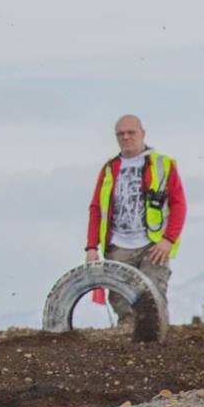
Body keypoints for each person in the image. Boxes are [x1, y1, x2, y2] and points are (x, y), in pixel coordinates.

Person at [84, 114, 186, 312]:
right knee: (121, 301)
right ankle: (124, 338)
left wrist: (168, 240)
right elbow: (96, 208)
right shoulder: (109, 169)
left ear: (142, 134)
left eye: (131, 132)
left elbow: (179, 204)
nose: (126, 137)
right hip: (118, 246)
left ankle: (156, 342)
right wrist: (91, 247)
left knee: (153, 298)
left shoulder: (163, 165)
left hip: (153, 245)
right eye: (120, 134)